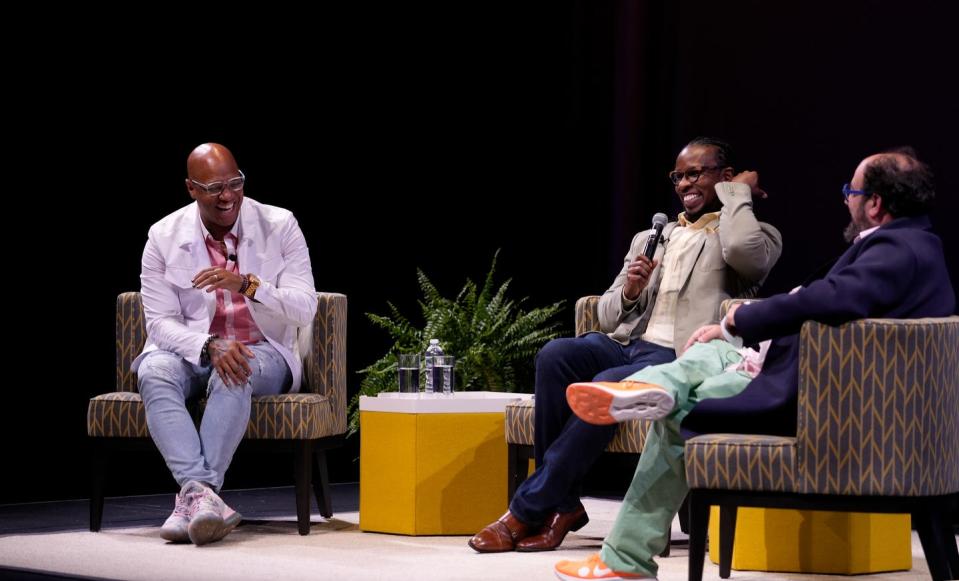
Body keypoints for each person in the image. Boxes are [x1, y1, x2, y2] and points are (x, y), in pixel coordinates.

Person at [554, 149, 957, 580]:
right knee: (710, 346)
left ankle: (626, 559)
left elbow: (833, 297)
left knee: (681, 412)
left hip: (824, 407)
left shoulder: (895, 248)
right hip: (825, 386)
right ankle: (656, 384)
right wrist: (731, 330)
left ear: (875, 203)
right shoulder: (917, 245)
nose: (846, 200)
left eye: (850, 191)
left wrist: (741, 317)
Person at [470, 137, 783, 553]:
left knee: (608, 382)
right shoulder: (651, 238)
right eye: (679, 176)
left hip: (680, 356)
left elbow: (747, 254)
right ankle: (562, 503)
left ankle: (528, 510)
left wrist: (737, 195)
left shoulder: (753, 234)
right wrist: (633, 289)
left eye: (696, 173)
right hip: (630, 343)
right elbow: (606, 316)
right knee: (556, 355)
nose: (685, 183)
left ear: (725, 177)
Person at [132, 143, 317, 545]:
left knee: (237, 365)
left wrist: (247, 284)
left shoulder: (280, 224)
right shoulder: (163, 236)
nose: (228, 195)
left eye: (235, 183)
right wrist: (207, 344)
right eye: (214, 187)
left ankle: (196, 499)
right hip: (192, 349)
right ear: (191, 189)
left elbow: (305, 308)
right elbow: (159, 323)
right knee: (152, 369)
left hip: (264, 348)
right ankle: (204, 497)